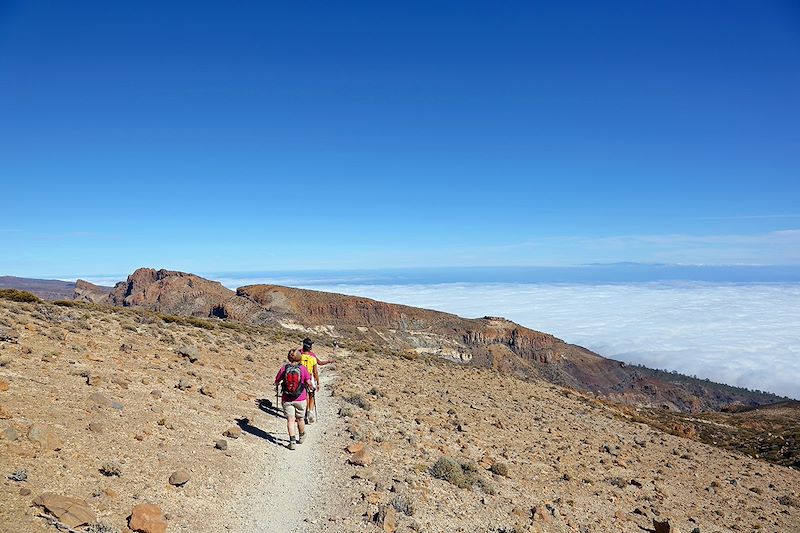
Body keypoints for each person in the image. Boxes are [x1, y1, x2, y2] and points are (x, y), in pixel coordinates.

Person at [274, 349, 314, 450]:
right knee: (300, 418)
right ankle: (301, 436)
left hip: (287, 398)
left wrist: (278, 384)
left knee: (290, 420)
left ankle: (292, 442)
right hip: (300, 398)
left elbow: (277, 381)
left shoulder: (284, 368)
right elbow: (308, 382)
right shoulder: (303, 369)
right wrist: (312, 388)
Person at [300, 338, 334, 424]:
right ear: (310, 346)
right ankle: (310, 412)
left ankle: (305, 412)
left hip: (300, 377)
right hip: (309, 378)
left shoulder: (299, 354)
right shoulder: (313, 356)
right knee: (311, 395)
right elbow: (316, 370)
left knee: (304, 396)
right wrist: (318, 383)